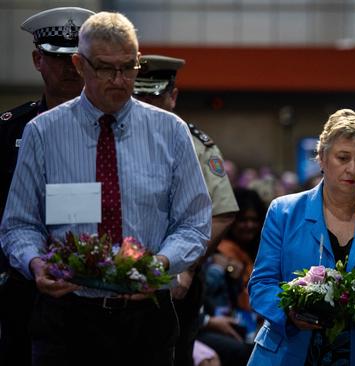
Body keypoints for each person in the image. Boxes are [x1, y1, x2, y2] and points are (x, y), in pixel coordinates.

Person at [0, 12, 212, 366]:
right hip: (67, 316)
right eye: (105, 68)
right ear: (79, 65)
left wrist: (161, 263)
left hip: (147, 318)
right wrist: (36, 263)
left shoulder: (171, 132)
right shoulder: (43, 133)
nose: (119, 79)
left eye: (129, 67)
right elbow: (19, 224)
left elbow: (194, 223)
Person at [247, 109, 355, 365]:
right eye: (342, 157)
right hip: (290, 353)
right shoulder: (284, 211)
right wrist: (289, 313)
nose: (352, 168)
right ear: (322, 158)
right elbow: (261, 284)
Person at [0, 7, 95, 366]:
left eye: (77, 59)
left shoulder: (115, 127)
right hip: (23, 283)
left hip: (97, 283)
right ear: (38, 59)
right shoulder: (10, 129)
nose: (70, 68)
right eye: (58, 58)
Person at [133, 54, 239, 366]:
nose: (146, 104)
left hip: (177, 281)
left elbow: (222, 212)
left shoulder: (195, 145)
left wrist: (187, 267)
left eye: (155, 96)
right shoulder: (110, 136)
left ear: (173, 96)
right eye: (139, 95)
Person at [198, 188, 266, 366]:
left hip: (247, 322)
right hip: (212, 323)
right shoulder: (218, 250)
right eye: (243, 220)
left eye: (254, 220)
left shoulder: (258, 250)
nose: (249, 225)